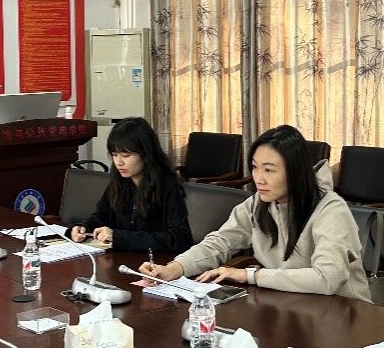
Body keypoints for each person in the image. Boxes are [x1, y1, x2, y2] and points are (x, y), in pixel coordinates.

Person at [140, 124, 369, 300]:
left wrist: (250, 275)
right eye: (255, 167)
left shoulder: (330, 209)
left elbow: (327, 278)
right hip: (291, 305)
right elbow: (220, 242)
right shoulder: (258, 203)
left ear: (295, 172)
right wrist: (175, 268)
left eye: (269, 170)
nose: (258, 178)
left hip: (344, 313)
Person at [68, 116, 192, 253]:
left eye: (126, 155)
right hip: (120, 259)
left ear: (145, 154)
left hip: (155, 262)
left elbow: (180, 239)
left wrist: (119, 237)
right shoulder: (119, 180)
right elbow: (102, 216)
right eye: (114, 155)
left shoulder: (167, 185)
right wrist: (83, 227)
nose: (119, 162)